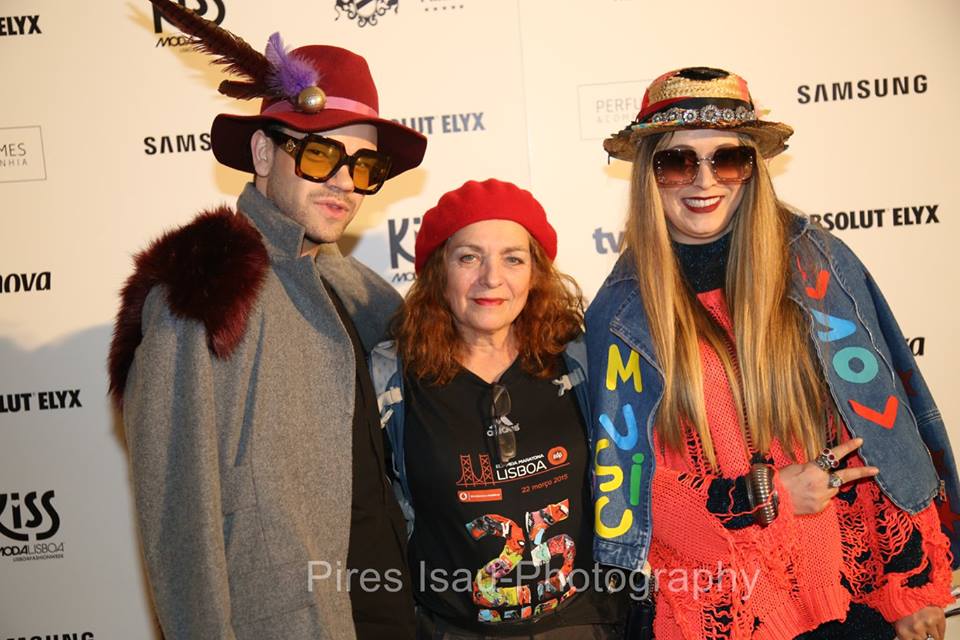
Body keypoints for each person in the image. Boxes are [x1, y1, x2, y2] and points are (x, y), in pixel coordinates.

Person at [586, 67, 960, 640]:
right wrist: (767, 496)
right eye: (677, 161)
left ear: (753, 170)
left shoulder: (818, 267)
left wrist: (905, 586)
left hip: (846, 602)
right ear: (648, 177)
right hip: (724, 615)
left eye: (728, 159)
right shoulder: (620, 315)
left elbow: (876, 428)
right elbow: (634, 495)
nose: (703, 180)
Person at [107, 3, 427, 638]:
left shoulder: (370, 298)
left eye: (364, 167)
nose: (344, 183)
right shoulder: (204, 291)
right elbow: (180, 519)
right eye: (320, 155)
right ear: (262, 151)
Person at [371, 179, 628, 639]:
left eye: (513, 258)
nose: (491, 278)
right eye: (469, 257)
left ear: (535, 273)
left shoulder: (580, 360)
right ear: (438, 271)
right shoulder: (393, 378)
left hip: (579, 624)